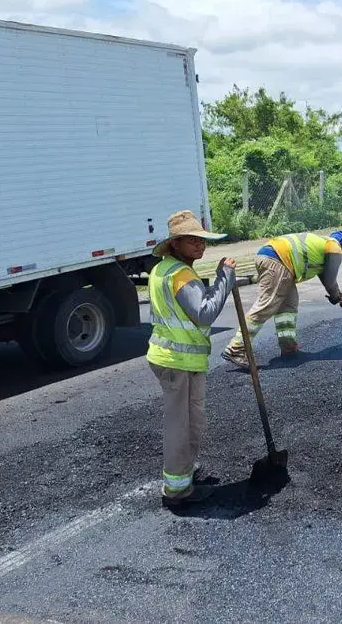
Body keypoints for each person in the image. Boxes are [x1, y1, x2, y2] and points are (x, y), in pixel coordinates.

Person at [148, 210, 236, 507]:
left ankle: (184, 470)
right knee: (181, 425)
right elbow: (205, 312)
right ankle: (177, 490)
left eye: (201, 240)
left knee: (191, 420)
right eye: (192, 240)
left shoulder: (164, 269)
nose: (200, 246)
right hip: (177, 362)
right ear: (175, 244)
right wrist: (225, 277)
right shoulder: (180, 274)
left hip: (178, 360)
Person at [221, 230, 342, 367]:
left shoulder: (323, 245)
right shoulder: (335, 248)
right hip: (279, 261)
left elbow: (326, 278)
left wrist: (339, 297)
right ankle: (236, 348)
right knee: (266, 305)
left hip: (276, 260)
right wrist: (336, 296)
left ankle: (288, 348)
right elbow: (330, 281)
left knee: (288, 306)